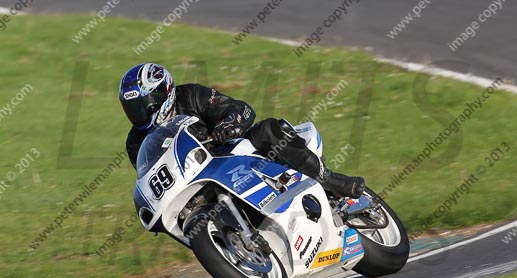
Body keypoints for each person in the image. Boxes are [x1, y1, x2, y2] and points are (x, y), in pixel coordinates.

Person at [119, 63, 365, 199]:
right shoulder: (134, 143)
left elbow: (241, 109)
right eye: (133, 109)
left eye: (144, 105)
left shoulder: (191, 94)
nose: (140, 113)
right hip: (195, 179)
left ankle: (328, 179)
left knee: (269, 130)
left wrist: (228, 125)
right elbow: (150, 179)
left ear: (164, 92)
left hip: (232, 151)